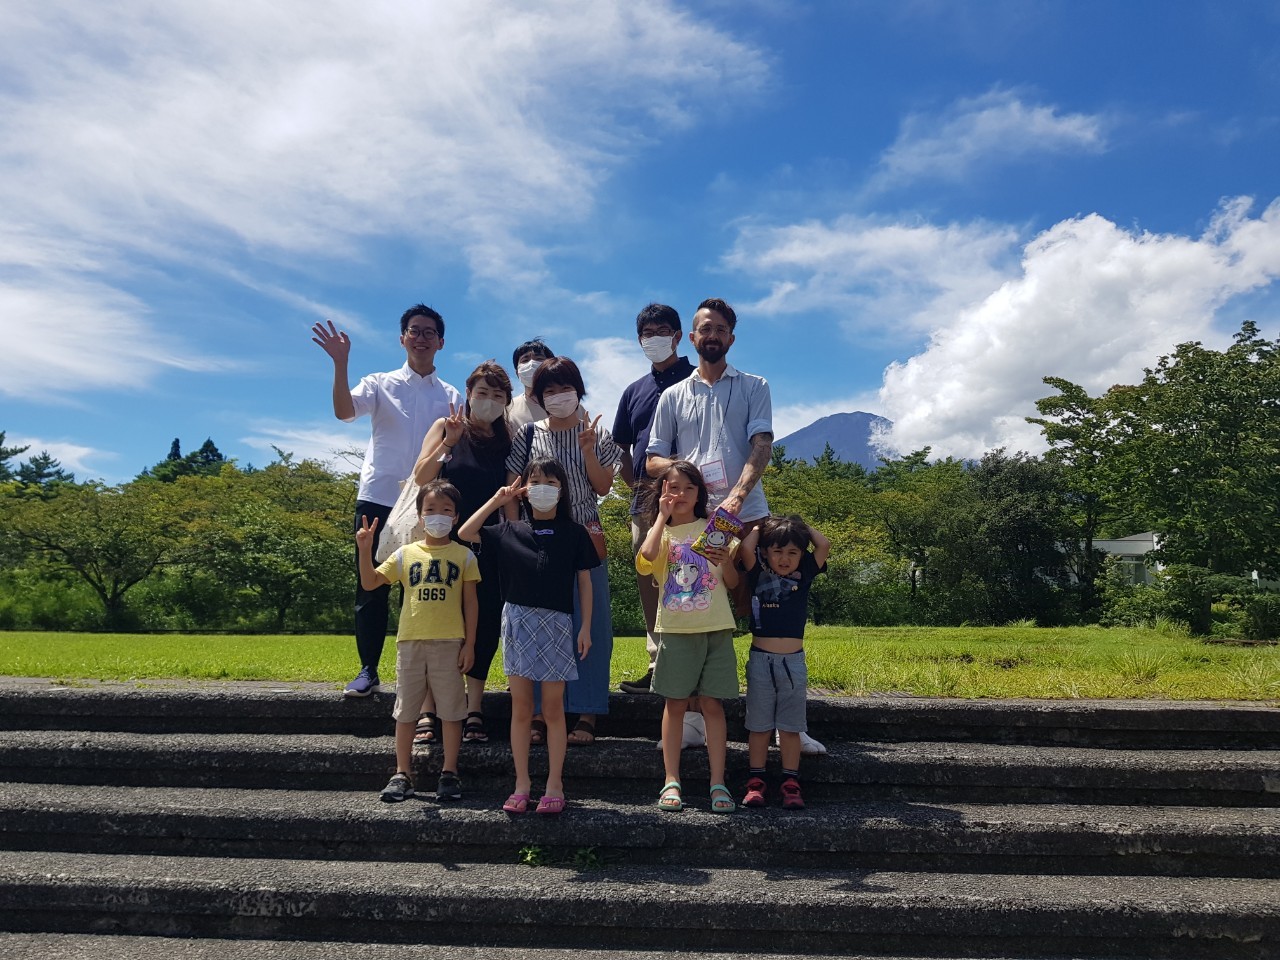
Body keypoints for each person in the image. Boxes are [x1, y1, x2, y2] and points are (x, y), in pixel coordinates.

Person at [646, 297, 825, 754]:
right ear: (692, 337)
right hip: (694, 521)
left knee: (769, 610)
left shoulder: (754, 385)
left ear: (731, 337)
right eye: (705, 328)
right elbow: (651, 460)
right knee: (694, 610)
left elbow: (761, 444)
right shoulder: (672, 396)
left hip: (747, 515)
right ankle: (691, 721)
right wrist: (687, 472)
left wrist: (737, 497)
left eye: (721, 329)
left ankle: (788, 724)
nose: (712, 335)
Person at [313, 305, 461, 698]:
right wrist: (340, 363)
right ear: (402, 338)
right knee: (371, 586)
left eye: (429, 332)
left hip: (427, 504)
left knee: (423, 587)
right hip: (378, 497)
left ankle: (424, 679)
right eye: (414, 330)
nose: (421, 338)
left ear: (441, 342)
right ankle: (368, 670)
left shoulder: (451, 396)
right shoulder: (380, 383)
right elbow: (344, 412)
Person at [458, 457, 597, 815]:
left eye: (551, 482)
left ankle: (554, 784)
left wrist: (585, 627)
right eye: (535, 482)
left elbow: (584, 581)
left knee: (552, 708)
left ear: (562, 490)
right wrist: (499, 499)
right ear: (524, 490)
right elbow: (466, 533)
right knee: (521, 708)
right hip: (517, 621)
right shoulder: (509, 530)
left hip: (558, 623)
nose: (542, 488)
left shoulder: (574, 533)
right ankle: (521, 784)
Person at [505, 357, 620, 745]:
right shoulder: (527, 435)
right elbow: (513, 490)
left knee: (592, 623)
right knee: (540, 622)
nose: (557, 396)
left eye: (565, 388)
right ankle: (539, 711)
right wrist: (515, 536)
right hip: (538, 541)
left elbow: (603, 487)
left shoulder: (597, 434)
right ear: (538, 397)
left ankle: (587, 711)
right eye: (548, 391)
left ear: (578, 390)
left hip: (585, 535)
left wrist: (588, 450)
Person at [355, 480, 479, 802]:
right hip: (410, 643)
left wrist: (470, 644)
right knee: (406, 711)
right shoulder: (405, 553)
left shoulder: (464, 556)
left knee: (452, 711)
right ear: (420, 516)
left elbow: (471, 603)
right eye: (431, 509)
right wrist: (365, 549)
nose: (438, 515)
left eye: (446, 510)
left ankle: (449, 772)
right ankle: (402, 773)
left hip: (450, 643)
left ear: (456, 516)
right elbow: (370, 583)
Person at [410, 361, 513, 745]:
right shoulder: (446, 427)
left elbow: (510, 495)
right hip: (441, 543)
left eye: (498, 395)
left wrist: (512, 539)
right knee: (436, 621)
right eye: (482, 392)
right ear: (468, 394)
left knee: (483, 625)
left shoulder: (508, 439)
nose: (489, 401)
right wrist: (449, 443)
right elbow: (421, 476)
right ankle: (428, 709)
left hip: (486, 546)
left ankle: (474, 708)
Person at [637, 460, 739, 814]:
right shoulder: (661, 534)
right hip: (676, 631)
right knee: (675, 705)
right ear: (661, 491)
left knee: (713, 705)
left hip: (716, 628)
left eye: (688, 488)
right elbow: (647, 557)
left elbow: (732, 582)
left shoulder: (714, 530)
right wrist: (661, 518)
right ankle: (671, 780)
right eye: (673, 487)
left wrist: (726, 561)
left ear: (700, 494)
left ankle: (718, 782)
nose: (680, 494)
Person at [611, 303, 695, 698]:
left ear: (678, 336)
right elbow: (621, 447)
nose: (654, 339)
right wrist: (638, 487)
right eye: (647, 333)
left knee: (693, 576)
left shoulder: (698, 380)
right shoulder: (634, 391)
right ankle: (656, 663)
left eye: (662, 331)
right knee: (649, 577)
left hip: (693, 501)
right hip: (646, 502)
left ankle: (693, 664)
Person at [739, 515, 831, 810]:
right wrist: (760, 527)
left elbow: (824, 544)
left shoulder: (805, 571)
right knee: (759, 725)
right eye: (777, 551)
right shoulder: (757, 570)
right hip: (760, 659)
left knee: (790, 727)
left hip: (793, 662)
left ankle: (791, 782)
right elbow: (745, 548)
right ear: (766, 552)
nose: (784, 558)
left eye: (792, 552)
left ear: (801, 555)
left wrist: (800, 526)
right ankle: (756, 781)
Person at [507, 338, 555, 428]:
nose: (531, 363)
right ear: (517, 373)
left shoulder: (570, 404)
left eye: (539, 359)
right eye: (525, 360)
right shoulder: (508, 409)